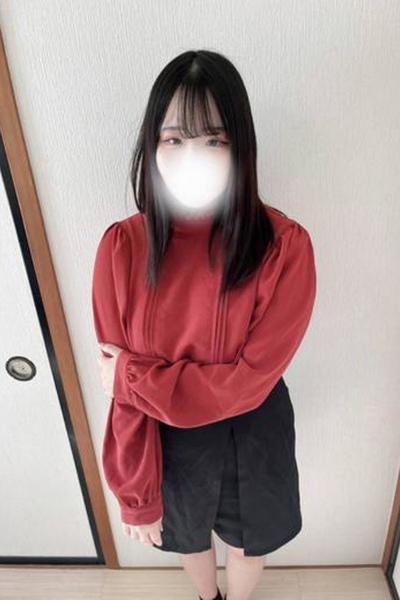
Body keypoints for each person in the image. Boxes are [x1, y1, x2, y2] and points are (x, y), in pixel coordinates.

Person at [92, 49, 317, 600]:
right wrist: (135, 491)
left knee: (248, 546)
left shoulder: (285, 247)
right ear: (152, 145)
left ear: (240, 145)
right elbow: (119, 390)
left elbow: (248, 382)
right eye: (174, 139)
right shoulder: (122, 248)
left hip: (254, 426)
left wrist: (136, 378)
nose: (193, 156)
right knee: (189, 540)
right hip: (166, 435)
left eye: (214, 140)